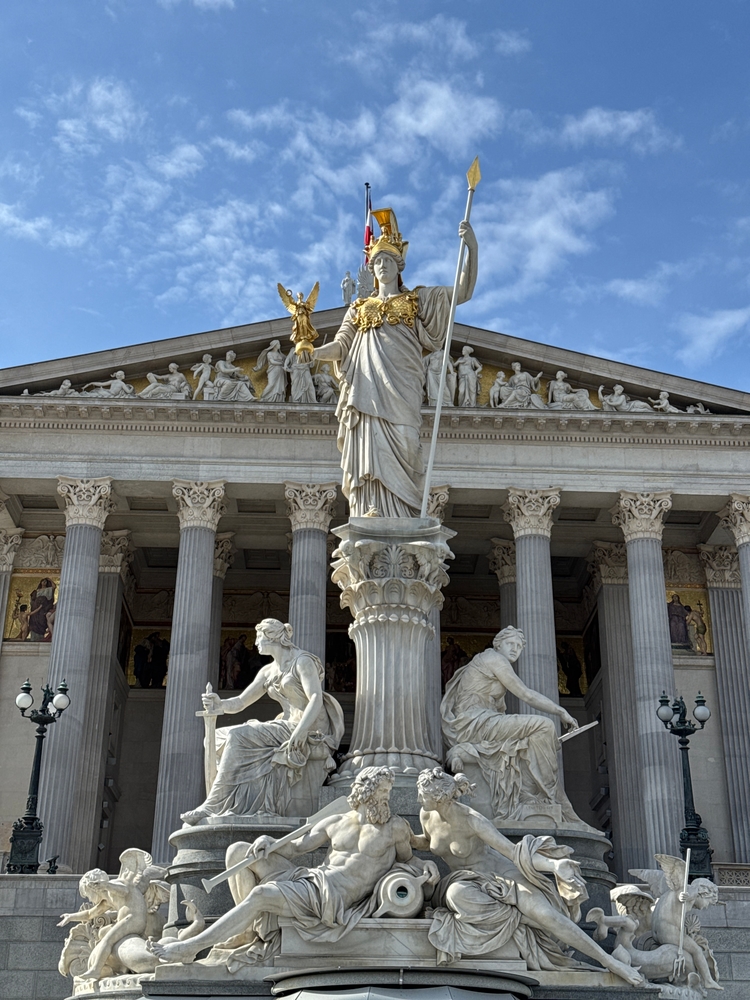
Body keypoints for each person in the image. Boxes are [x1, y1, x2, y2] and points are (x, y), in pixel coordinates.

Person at [152, 766, 435, 965]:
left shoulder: (396, 827)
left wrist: (426, 867)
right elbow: (298, 848)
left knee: (261, 895)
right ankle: (249, 930)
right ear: (365, 793)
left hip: (333, 899)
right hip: (313, 880)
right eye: (383, 792)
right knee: (239, 851)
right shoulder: (335, 822)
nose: (387, 798)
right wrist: (267, 841)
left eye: (388, 792)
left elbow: (408, 859)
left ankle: (191, 947)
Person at [312, 209, 477, 517]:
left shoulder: (417, 301)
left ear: (399, 266)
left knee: (407, 445)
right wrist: (316, 353)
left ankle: (408, 519)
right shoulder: (359, 308)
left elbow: (463, 292)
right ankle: (371, 510)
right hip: (368, 393)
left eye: (388, 261)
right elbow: (342, 345)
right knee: (370, 455)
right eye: (377, 262)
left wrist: (471, 247)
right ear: (371, 269)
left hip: (403, 391)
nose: (382, 266)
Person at [413, 769, 644, 987]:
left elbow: (514, 853)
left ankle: (609, 962)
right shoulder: (426, 815)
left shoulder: (473, 821)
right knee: (456, 895)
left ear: (440, 797)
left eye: (422, 795)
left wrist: (554, 865)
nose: (418, 799)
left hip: (501, 875)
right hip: (465, 880)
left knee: (546, 915)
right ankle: (520, 918)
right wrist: (401, 837)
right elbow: (428, 842)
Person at [180, 618, 344, 823]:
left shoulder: (302, 661)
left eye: (259, 637)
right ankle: (227, 803)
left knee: (236, 737)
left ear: (273, 637)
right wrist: (219, 704)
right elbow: (240, 702)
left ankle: (212, 805)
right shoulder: (267, 671)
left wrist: (300, 732)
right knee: (215, 737)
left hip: (307, 727)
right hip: (285, 725)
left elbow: (315, 698)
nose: (255, 642)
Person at [441, 626, 587, 826]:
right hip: (475, 722)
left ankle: (532, 794)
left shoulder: (490, 660)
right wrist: (560, 711)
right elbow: (525, 694)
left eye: (519, 646)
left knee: (530, 737)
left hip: (482, 720)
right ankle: (548, 794)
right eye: (511, 644)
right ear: (498, 644)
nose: (515, 649)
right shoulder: (493, 659)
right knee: (543, 726)